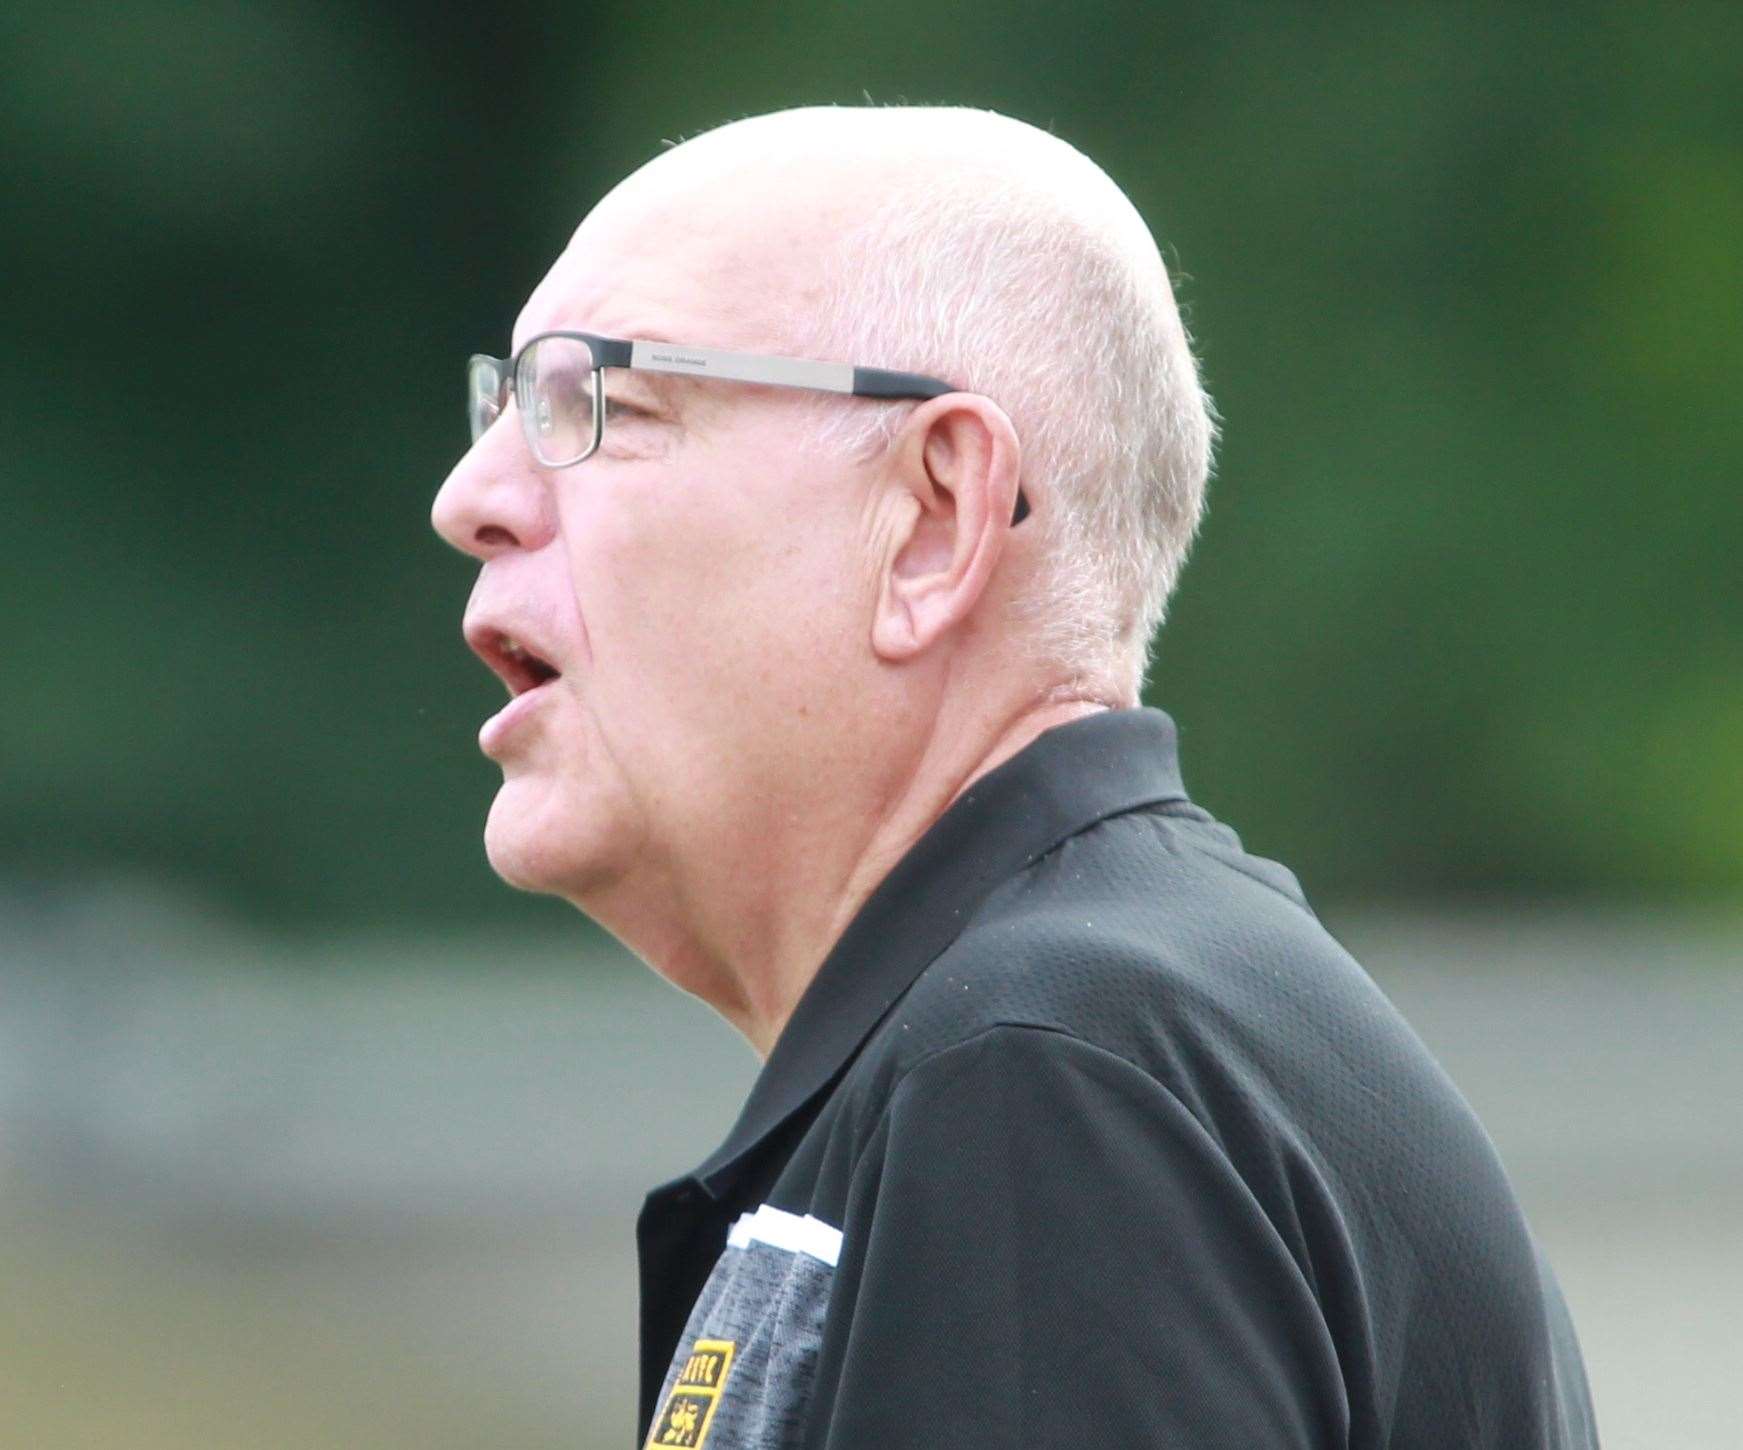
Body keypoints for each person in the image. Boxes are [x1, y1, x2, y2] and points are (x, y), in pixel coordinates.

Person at [431, 105, 1598, 1449]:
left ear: (934, 518)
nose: (473, 493)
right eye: (504, 406)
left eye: (604, 403)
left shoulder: (1042, 1077)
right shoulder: (1103, 1036)